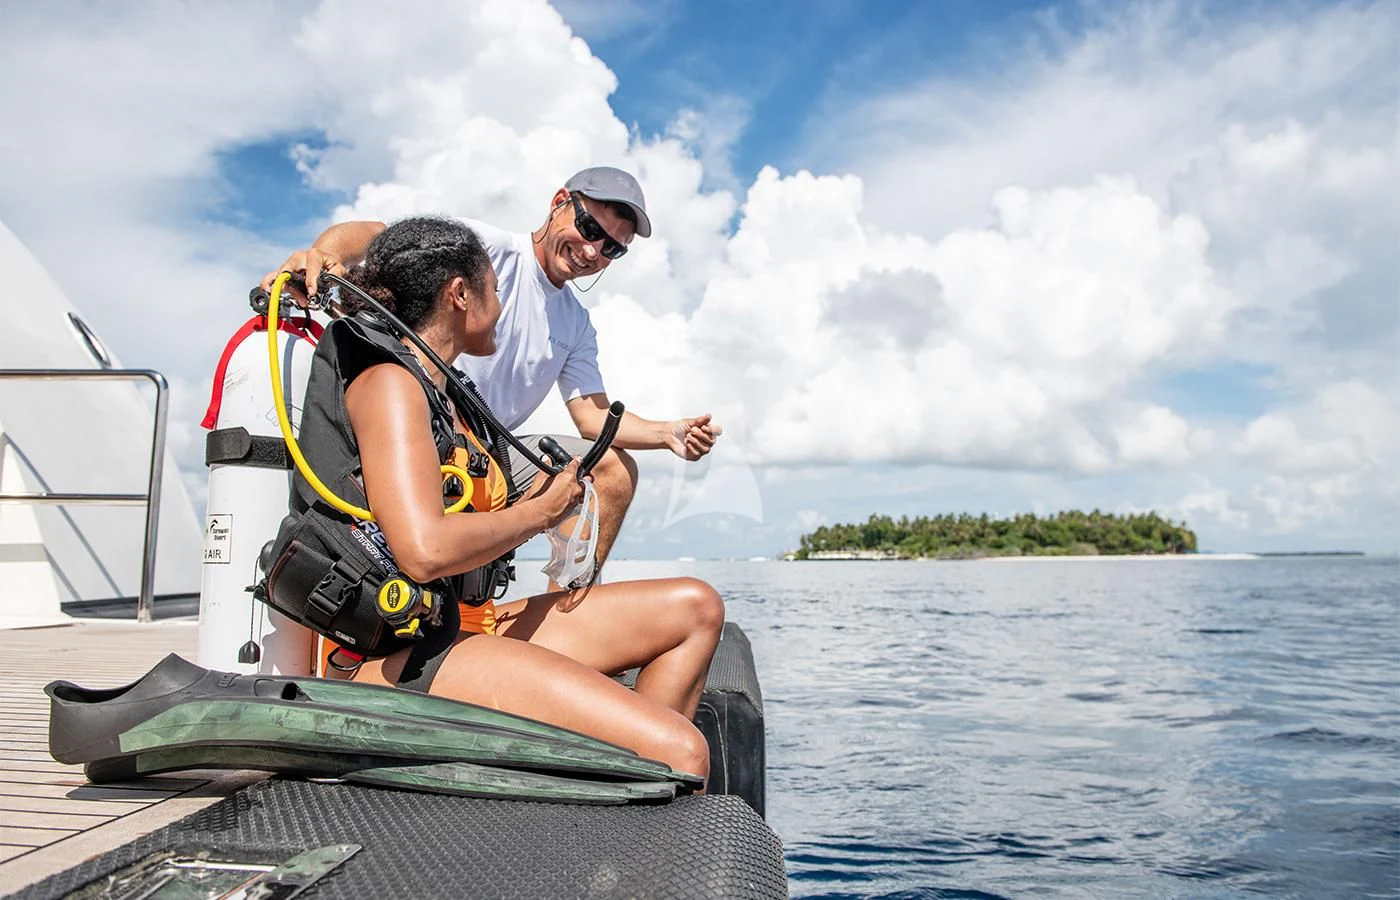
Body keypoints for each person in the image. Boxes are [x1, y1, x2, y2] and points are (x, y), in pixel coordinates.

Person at [266, 215, 722, 778]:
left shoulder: (454, 391)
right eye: (494, 289)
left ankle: (620, 784)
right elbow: (424, 551)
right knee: (683, 750)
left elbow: (591, 419)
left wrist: (660, 437)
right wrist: (541, 514)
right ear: (460, 294)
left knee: (695, 607)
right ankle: (640, 772)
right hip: (398, 652)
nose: (502, 304)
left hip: (466, 622)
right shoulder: (390, 381)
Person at [262, 167, 719, 588]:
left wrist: (669, 433)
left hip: (487, 453)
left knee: (612, 470)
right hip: (421, 435)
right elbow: (383, 236)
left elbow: (592, 418)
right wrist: (324, 253)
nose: (593, 251)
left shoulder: (576, 323)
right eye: (590, 228)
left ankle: (566, 614)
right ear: (560, 201)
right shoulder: (485, 249)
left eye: (612, 248)